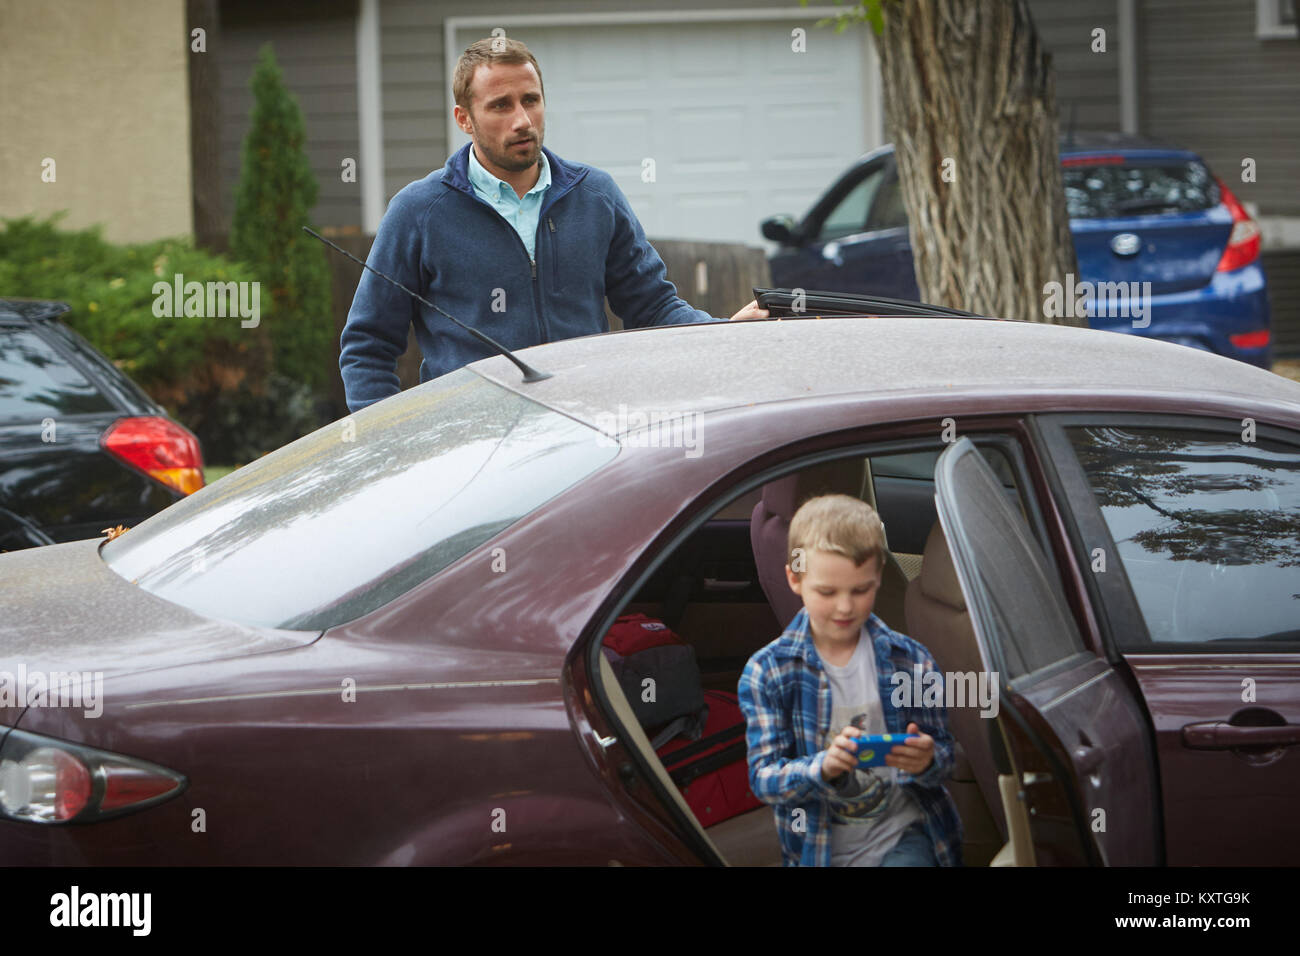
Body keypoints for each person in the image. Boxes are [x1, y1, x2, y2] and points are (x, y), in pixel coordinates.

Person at [340, 36, 767, 413]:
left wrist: (722, 333)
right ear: (464, 119)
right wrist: (391, 444)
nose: (522, 120)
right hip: (467, 448)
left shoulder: (595, 195)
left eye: (531, 99)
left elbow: (652, 307)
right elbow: (368, 346)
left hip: (583, 434)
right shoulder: (419, 211)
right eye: (500, 106)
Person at [737, 494, 964, 866]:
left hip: (902, 839)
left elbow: (945, 757)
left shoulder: (912, 662)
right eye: (827, 592)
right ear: (795, 578)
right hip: (818, 851)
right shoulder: (769, 671)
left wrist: (926, 760)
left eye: (861, 590)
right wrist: (823, 766)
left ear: (879, 577)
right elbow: (764, 779)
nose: (845, 607)